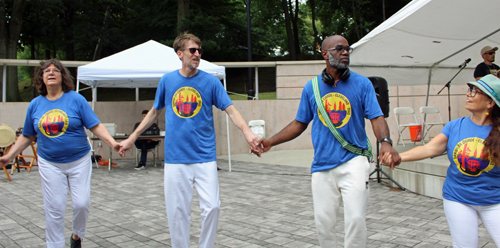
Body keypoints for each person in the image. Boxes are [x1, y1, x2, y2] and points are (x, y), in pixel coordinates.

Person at [255, 35, 401, 247]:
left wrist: (386, 142)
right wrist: (270, 142)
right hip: (322, 165)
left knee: (356, 220)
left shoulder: (362, 84)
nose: (345, 52)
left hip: (354, 160)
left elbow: (377, 117)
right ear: (325, 54)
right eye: (339, 49)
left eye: (347, 49)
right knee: (323, 224)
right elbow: (299, 123)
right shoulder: (312, 87)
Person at [118, 33, 261, 248]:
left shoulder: (210, 82)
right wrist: (132, 137)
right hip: (176, 159)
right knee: (177, 214)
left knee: (212, 207)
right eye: (192, 50)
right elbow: (154, 112)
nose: (197, 54)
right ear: (179, 54)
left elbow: (231, 110)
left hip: (204, 157)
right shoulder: (167, 80)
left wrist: (247, 132)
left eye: (199, 50)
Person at [0, 59, 121, 248]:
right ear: (41, 77)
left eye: (55, 70)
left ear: (62, 76)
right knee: (54, 208)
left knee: (81, 204)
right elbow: (28, 135)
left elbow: (95, 125)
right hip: (50, 163)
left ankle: (76, 236)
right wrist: (10, 156)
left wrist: (113, 143)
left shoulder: (76, 99)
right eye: (46, 71)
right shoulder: (35, 104)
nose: (51, 73)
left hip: (79, 160)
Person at [382, 74, 500, 247]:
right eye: (470, 90)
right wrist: (397, 158)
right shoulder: (455, 126)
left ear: (490, 103)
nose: (468, 94)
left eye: (475, 92)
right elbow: (430, 148)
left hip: (494, 201)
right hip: (458, 199)